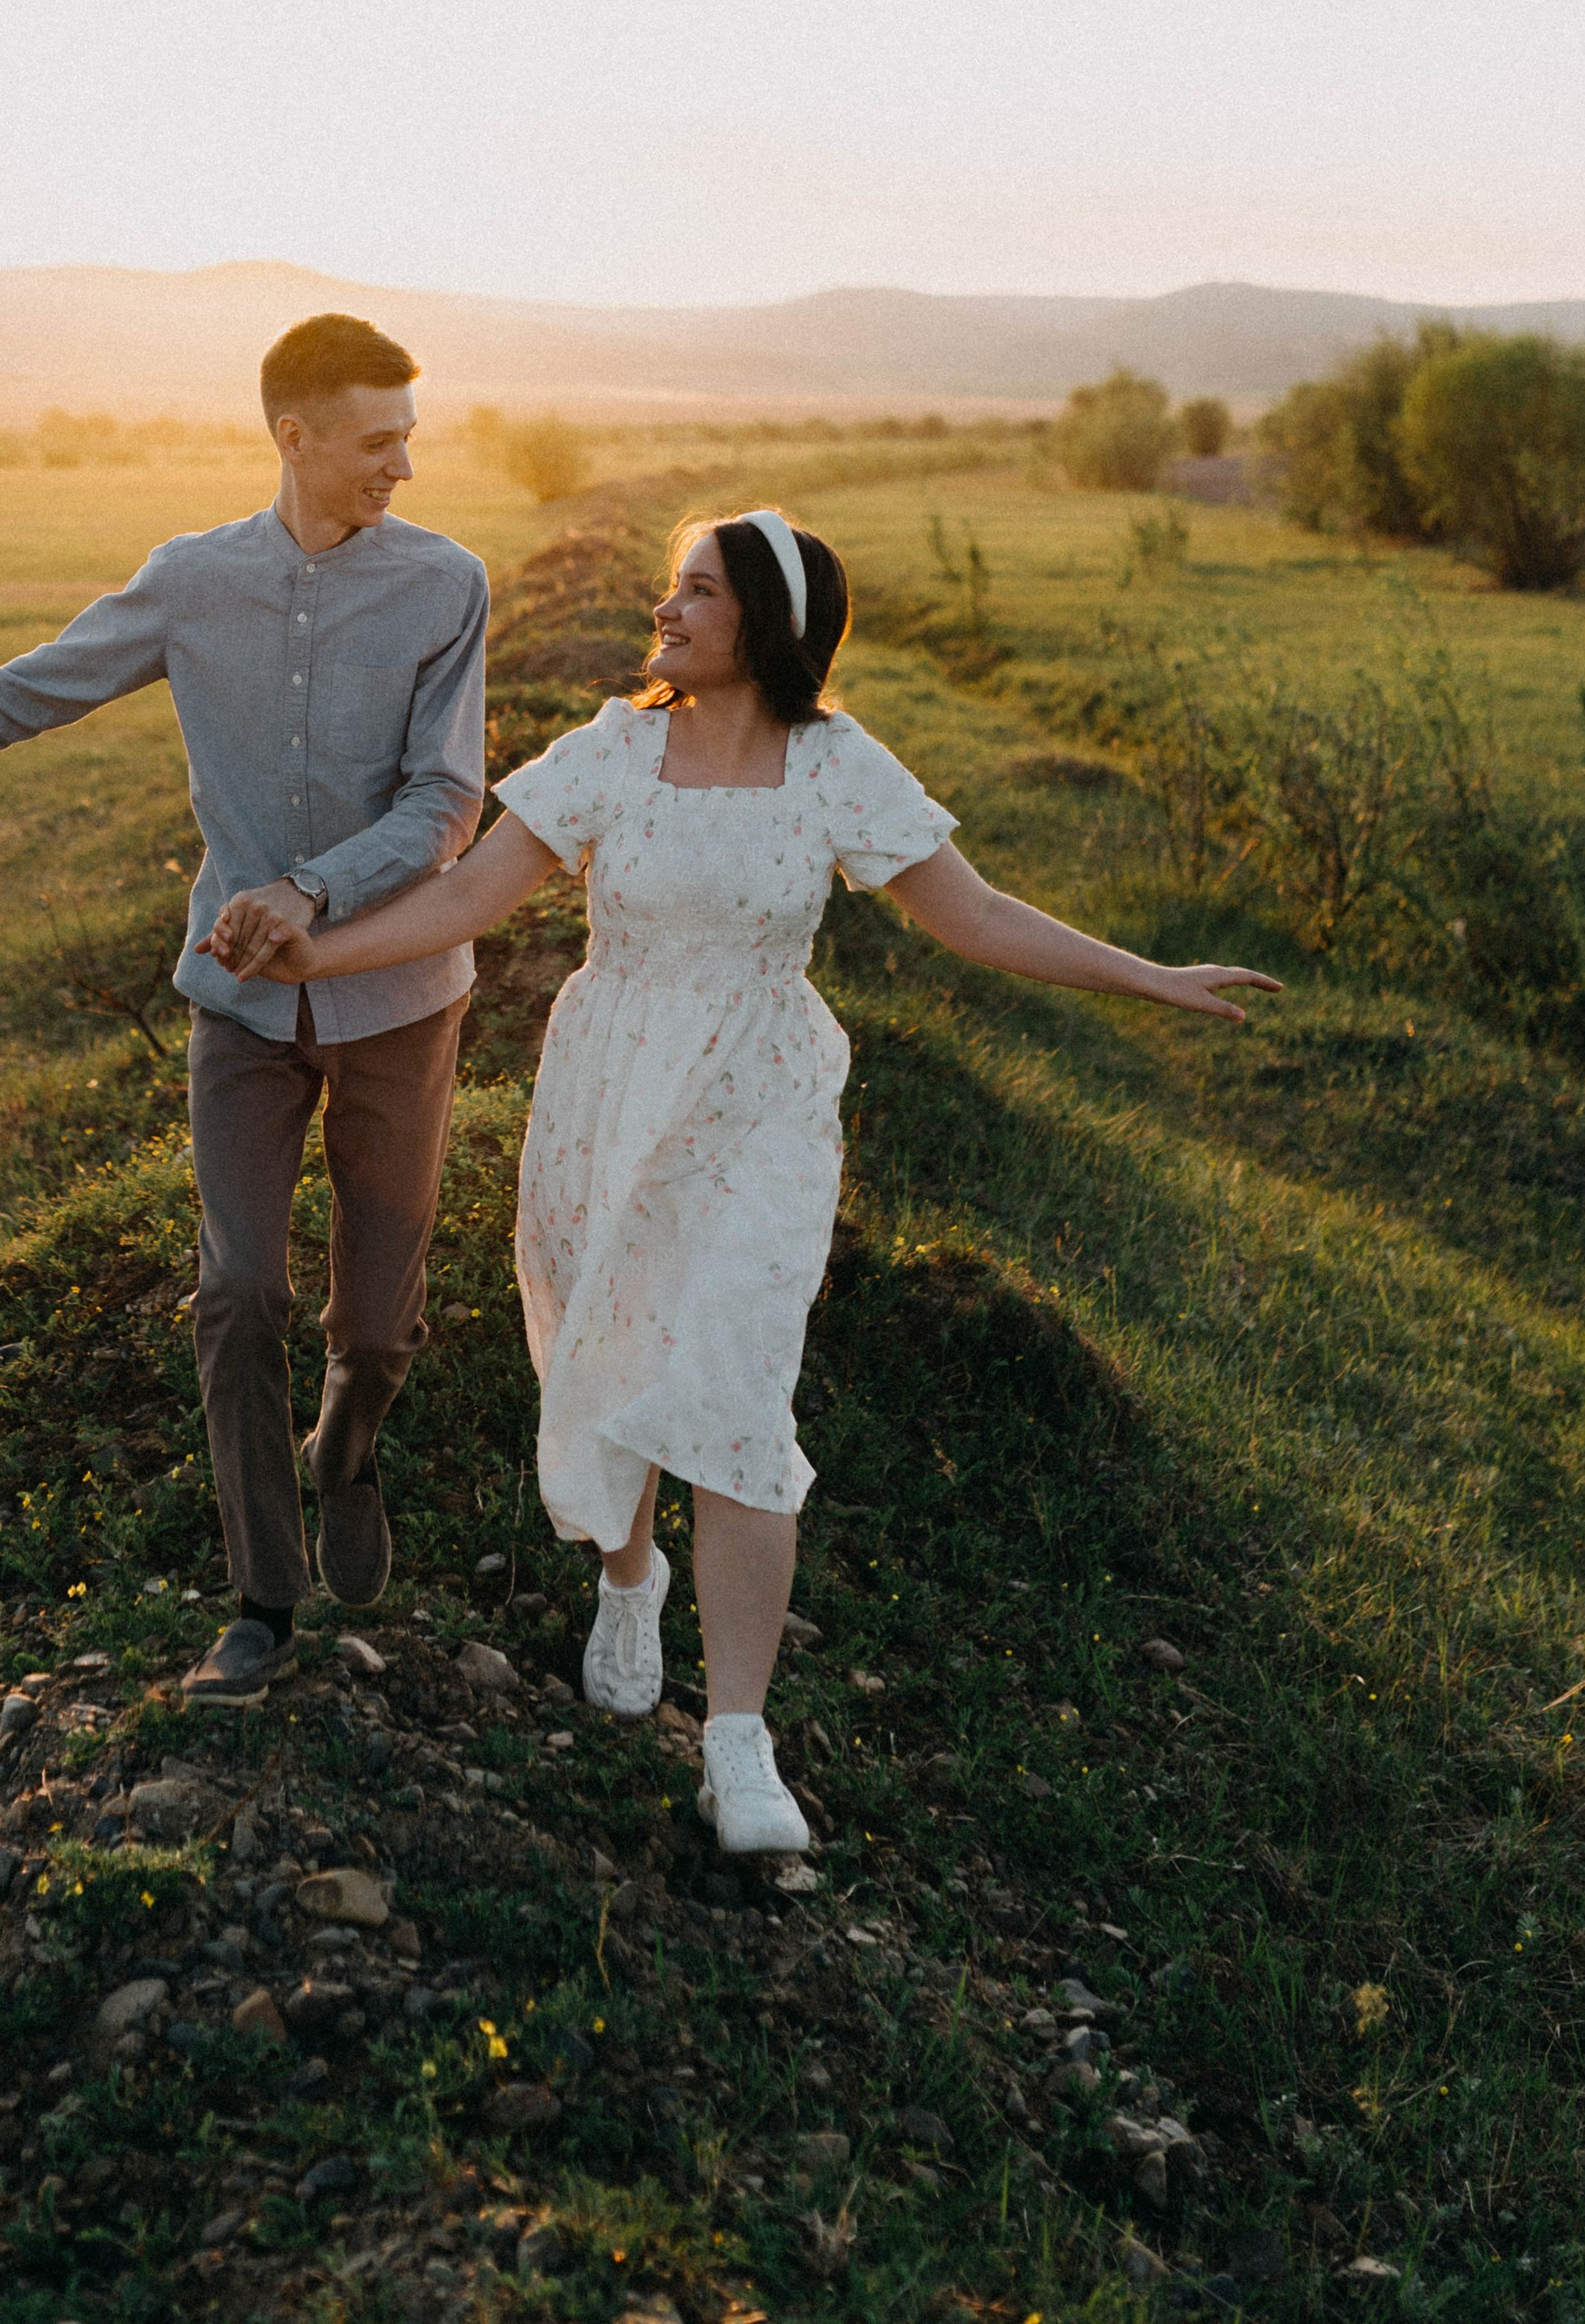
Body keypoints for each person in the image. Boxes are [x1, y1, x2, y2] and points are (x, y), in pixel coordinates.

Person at [210, 506, 1279, 1854]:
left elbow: (976, 913)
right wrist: (321, 955)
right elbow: (473, 896)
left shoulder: (839, 766)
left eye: (696, 592)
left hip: (764, 1104)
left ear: (764, 622)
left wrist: (1152, 977)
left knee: (735, 1386)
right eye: (670, 587)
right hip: (611, 1088)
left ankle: (739, 1743)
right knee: (613, 1347)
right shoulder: (614, 749)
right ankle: (627, 1574)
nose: (666, 611)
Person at [0, 315, 489, 1707]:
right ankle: (263, 1598)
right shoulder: (192, 583)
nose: (406, 461)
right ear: (296, 435)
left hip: (397, 1003)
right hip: (237, 1009)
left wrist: (313, 893)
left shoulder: (446, 582)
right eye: (379, 438)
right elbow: (25, 690)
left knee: (377, 1328)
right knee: (239, 1294)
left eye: (409, 433)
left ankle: (347, 1444)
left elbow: (448, 804)